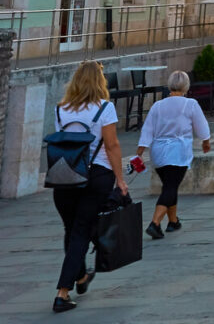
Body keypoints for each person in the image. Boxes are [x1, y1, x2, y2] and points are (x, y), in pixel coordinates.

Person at [50, 60, 128, 313]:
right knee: (82, 231)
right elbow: (112, 145)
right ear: (99, 82)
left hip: (64, 177)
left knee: (71, 230)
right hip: (96, 175)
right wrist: (120, 179)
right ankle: (63, 292)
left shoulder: (61, 109)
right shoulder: (104, 108)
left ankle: (81, 277)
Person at [133, 71, 211, 239]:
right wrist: (206, 141)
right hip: (178, 151)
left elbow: (147, 130)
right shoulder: (190, 104)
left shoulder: (157, 106)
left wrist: (139, 153)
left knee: (169, 185)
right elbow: (201, 125)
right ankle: (154, 223)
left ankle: (173, 221)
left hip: (159, 151)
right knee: (170, 187)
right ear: (186, 86)